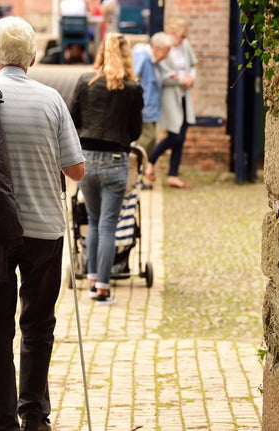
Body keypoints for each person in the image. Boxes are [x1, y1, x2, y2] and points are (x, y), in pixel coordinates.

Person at [0, 16, 85, 431]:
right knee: (38, 325)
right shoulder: (51, 99)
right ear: (34, 58)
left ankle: (1, 420)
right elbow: (75, 170)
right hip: (43, 229)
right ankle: (34, 415)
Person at [70, 32, 143, 305]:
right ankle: (102, 288)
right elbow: (135, 129)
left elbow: (73, 119)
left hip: (86, 160)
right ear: (127, 56)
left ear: (101, 52)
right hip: (115, 161)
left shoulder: (85, 82)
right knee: (108, 223)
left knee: (93, 220)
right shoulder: (132, 89)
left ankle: (91, 278)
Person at [144, 16, 198, 189]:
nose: (182, 40)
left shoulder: (185, 46)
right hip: (170, 96)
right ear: (172, 33)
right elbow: (163, 78)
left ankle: (173, 175)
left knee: (182, 136)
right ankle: (150, 161)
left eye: (184, 37)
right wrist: (181, 80)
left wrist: (190, 77)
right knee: (175, 135)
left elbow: (193, 65)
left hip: (184, 95)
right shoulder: (164, 48)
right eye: (180, 37)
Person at [131, 31, 173, 188]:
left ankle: (138, 177)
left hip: (151, 110)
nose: (167, 56)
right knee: (144, 143)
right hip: (143, 110)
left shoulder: (155, 61)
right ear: (156, 47)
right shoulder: (142, 56)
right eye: (166, 51)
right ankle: (135, 178)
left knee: (150, 141)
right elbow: (133, 79)